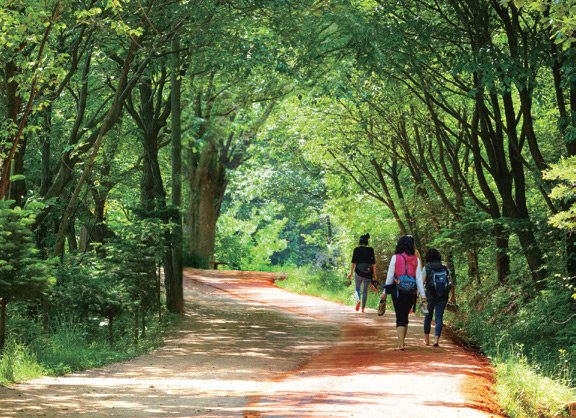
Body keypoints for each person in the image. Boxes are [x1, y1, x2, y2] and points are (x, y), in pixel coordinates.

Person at [377, 236, 425, 350]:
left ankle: (401, 344)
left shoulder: (395, 258)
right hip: (411, 292)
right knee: (405, 315)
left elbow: (390, 277)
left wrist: (385, 292)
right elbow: (418, 278)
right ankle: (402, 341)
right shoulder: (416, 260)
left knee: (400, 315)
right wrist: (423, 295)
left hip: (397, 291)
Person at [422, 248, 456, 347]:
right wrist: (453, 296)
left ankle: (427, 340)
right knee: (439, 317)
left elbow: (422, 281)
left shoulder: (427, 267)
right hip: (443, 295)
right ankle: (436, 339)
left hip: (430, 295)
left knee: (428, 317)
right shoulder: (445, 267)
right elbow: (450, 283)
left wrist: (420, 294)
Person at [347, 233, 377, 313]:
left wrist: (351, 273)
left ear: (360, 242)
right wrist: (375, 275)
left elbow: (353, 262)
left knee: (357, 289)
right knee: (365, 291)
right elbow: (373, 263)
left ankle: (358, 300)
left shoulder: (356, 249)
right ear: (367, 242)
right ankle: (363, 309)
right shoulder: (371, 250)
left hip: (359, 271)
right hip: (368, 272)